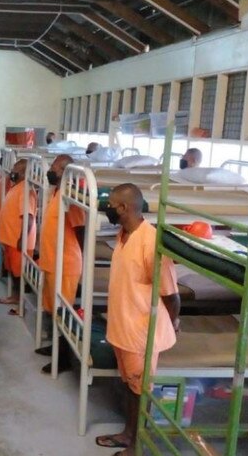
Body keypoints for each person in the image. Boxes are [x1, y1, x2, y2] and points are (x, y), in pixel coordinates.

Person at [96, 183, 180, 455]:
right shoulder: (123, 234)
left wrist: (171, 324)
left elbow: (171, 294)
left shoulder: (150, 241)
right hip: (124, 327)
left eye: (111, 204)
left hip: (141, 333)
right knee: (130, 386)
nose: (107, 208)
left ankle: (138, 444)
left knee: (140, 390)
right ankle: (129, 434)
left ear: (124, 208)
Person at [35, 155, 85, 374]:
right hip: (51, 260)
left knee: (63, 312)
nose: (51, 172)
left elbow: (81, 231)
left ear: (66, 171)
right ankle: (55, 347)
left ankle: (63, 358)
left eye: (55, 169)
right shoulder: (55, 192)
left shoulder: (71, 197)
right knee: (52, 308)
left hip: (65, 264)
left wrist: (83, 263)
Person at [0, 159, 36, 308]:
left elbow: (28, 217)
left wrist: (22, 239)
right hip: (12, 239)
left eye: (15, 170)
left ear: (23, 173)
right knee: (14, 270)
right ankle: (15, 296)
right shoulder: (18, 187)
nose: (12, 172)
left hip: (18, 240)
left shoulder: (25, 190)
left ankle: (18, 299)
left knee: (19, 273)